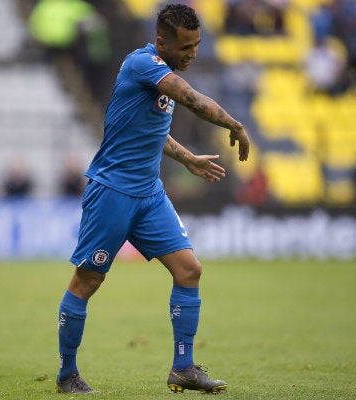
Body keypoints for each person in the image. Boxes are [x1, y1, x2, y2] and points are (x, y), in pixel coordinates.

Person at [56, 3, 250, 394]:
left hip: (149, 194)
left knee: (189, 270)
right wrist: (235, 123)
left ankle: (183, 368)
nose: (192, 53)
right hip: (112, 191)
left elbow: (150, 132)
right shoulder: (142, 65)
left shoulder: (162, 72)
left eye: (197, 45)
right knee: (88, 280)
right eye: (185, 47)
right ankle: (67, 375)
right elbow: (192, 99)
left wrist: (189, 158)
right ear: (161, 41)